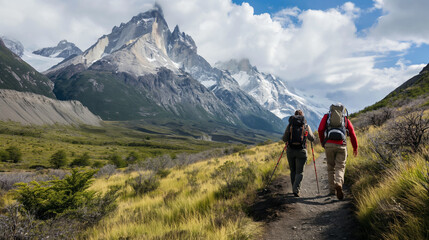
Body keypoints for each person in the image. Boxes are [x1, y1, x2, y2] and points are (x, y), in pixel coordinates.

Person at [318, 103, 358, 200]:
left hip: (329, 145)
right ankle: (339, 183)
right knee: (340, 167)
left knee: (330, 167)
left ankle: (332, 191)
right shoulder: (345, 119)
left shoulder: (327, 117)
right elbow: (352, 134)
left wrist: (323, 142)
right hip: (341, 145)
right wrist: (355, 148)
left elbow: (320, 129)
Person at [282, 110, 315, 197]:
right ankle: (296, 189)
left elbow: (284, 139)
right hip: (302, 151)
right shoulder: (306, 126)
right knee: (299, 172)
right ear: (302, 116)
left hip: (290, 150)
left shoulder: (290, 125)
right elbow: (312, 138)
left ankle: (294, 188)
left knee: (293, 170)